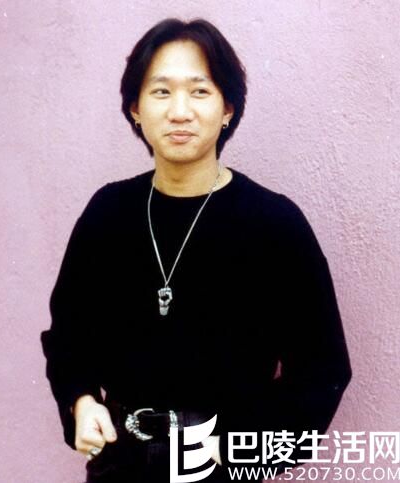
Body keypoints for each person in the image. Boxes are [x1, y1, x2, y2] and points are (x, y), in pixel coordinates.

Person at [41, 18, 352, 483]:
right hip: (121, 467)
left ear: (228, 108)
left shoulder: (274, 223)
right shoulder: (108, 213)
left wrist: (245, 449)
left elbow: (323, 369)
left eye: (200, 91)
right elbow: (69, 338)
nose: (180, 111)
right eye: (161, 92)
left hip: (223, 467)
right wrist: (81, 401)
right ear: (135, 109)